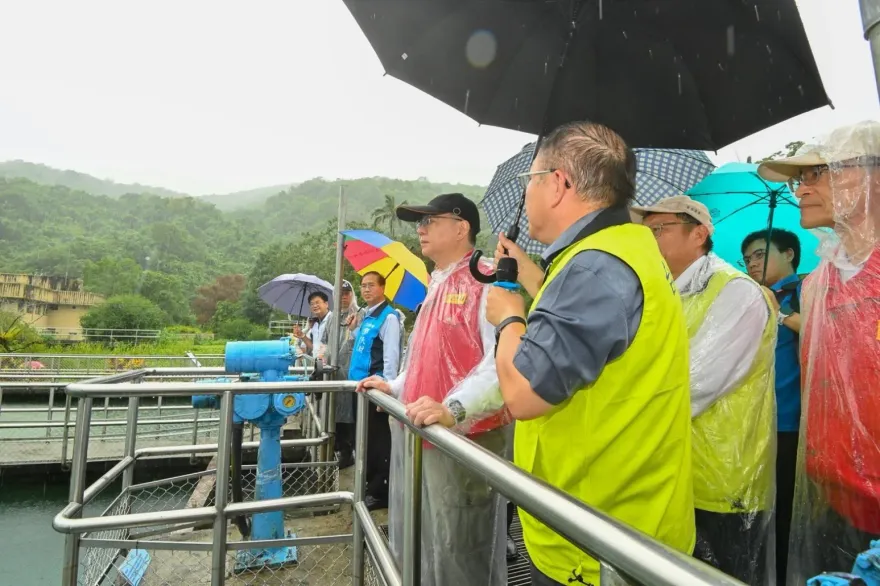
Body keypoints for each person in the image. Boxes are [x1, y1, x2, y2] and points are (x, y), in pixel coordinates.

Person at [487, 121, 695, 586]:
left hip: (593, 543)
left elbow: (523, 394)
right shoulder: (626, 247)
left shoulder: (593, 267)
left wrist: (508, 318)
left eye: (530, 181)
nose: (527, 196)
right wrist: (531, 276)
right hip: (628, 524)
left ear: (558, 184)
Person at [357, 192, 511, 586]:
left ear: (461, 228)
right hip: (424, 434)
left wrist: (454, 408)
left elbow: (501, 363)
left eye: (430, 221)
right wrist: (393, 386)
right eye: (419, 223)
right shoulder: (437, 284)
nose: (421, 229)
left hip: (465, 439)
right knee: (424, 539)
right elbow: (423, 359)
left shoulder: (487, 280)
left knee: (461, 547)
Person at [757, 121, 880, 583]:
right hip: (833, 493)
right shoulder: (816, 284)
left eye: (819, 173)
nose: (802, 189)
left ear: (874, 177)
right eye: (800, 178)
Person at [632, 195, 776, 585]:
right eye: (644, 232)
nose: (649, 239)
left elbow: (695, 385)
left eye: (659, 229)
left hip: (723, 479)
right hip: (669, 471)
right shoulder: (661, 292)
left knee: (724, 574)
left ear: (699, 234)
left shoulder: (736, 291)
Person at [740, 228, 804, 585]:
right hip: (753, 422)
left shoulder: (804, 291)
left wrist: (780, 314)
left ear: (790, 254)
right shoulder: (750, 296)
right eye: (747, 258)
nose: (752, 263)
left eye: (760, 254)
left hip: (790, 422)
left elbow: (820, 333)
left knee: (785, 513)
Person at [348, 271, 402, 509]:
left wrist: (386, 391)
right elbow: (361, 349)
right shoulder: (367, 317)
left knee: (377, 441)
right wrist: (353, 329)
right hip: (359, 388)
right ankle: (370, 484)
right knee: (363, 439)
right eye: (363, 285)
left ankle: (381, 491)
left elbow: (391, 356)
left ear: (383, 287)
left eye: (371, 285)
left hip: (374, 389)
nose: (366, 289)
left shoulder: (388, 318)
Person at [321, 280, 363, 468]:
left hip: (351, 373)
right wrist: (322, 358)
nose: (344, 296)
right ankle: (335, 448)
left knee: (350, 415)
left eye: (347, 293)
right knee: (333, 412)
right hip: (332, 372)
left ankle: (349, 452)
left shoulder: (360, 314)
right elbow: (324, 342)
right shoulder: (332, 317)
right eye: (340, 293)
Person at [293, 292, 331, 357]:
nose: (315, 306)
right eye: (312, 304)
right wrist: (302, 335)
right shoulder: (315, 325)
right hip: (318, 364)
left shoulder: (332, 320)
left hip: (329, 364)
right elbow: (314, 347)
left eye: (317, 302)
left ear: (326, 304)